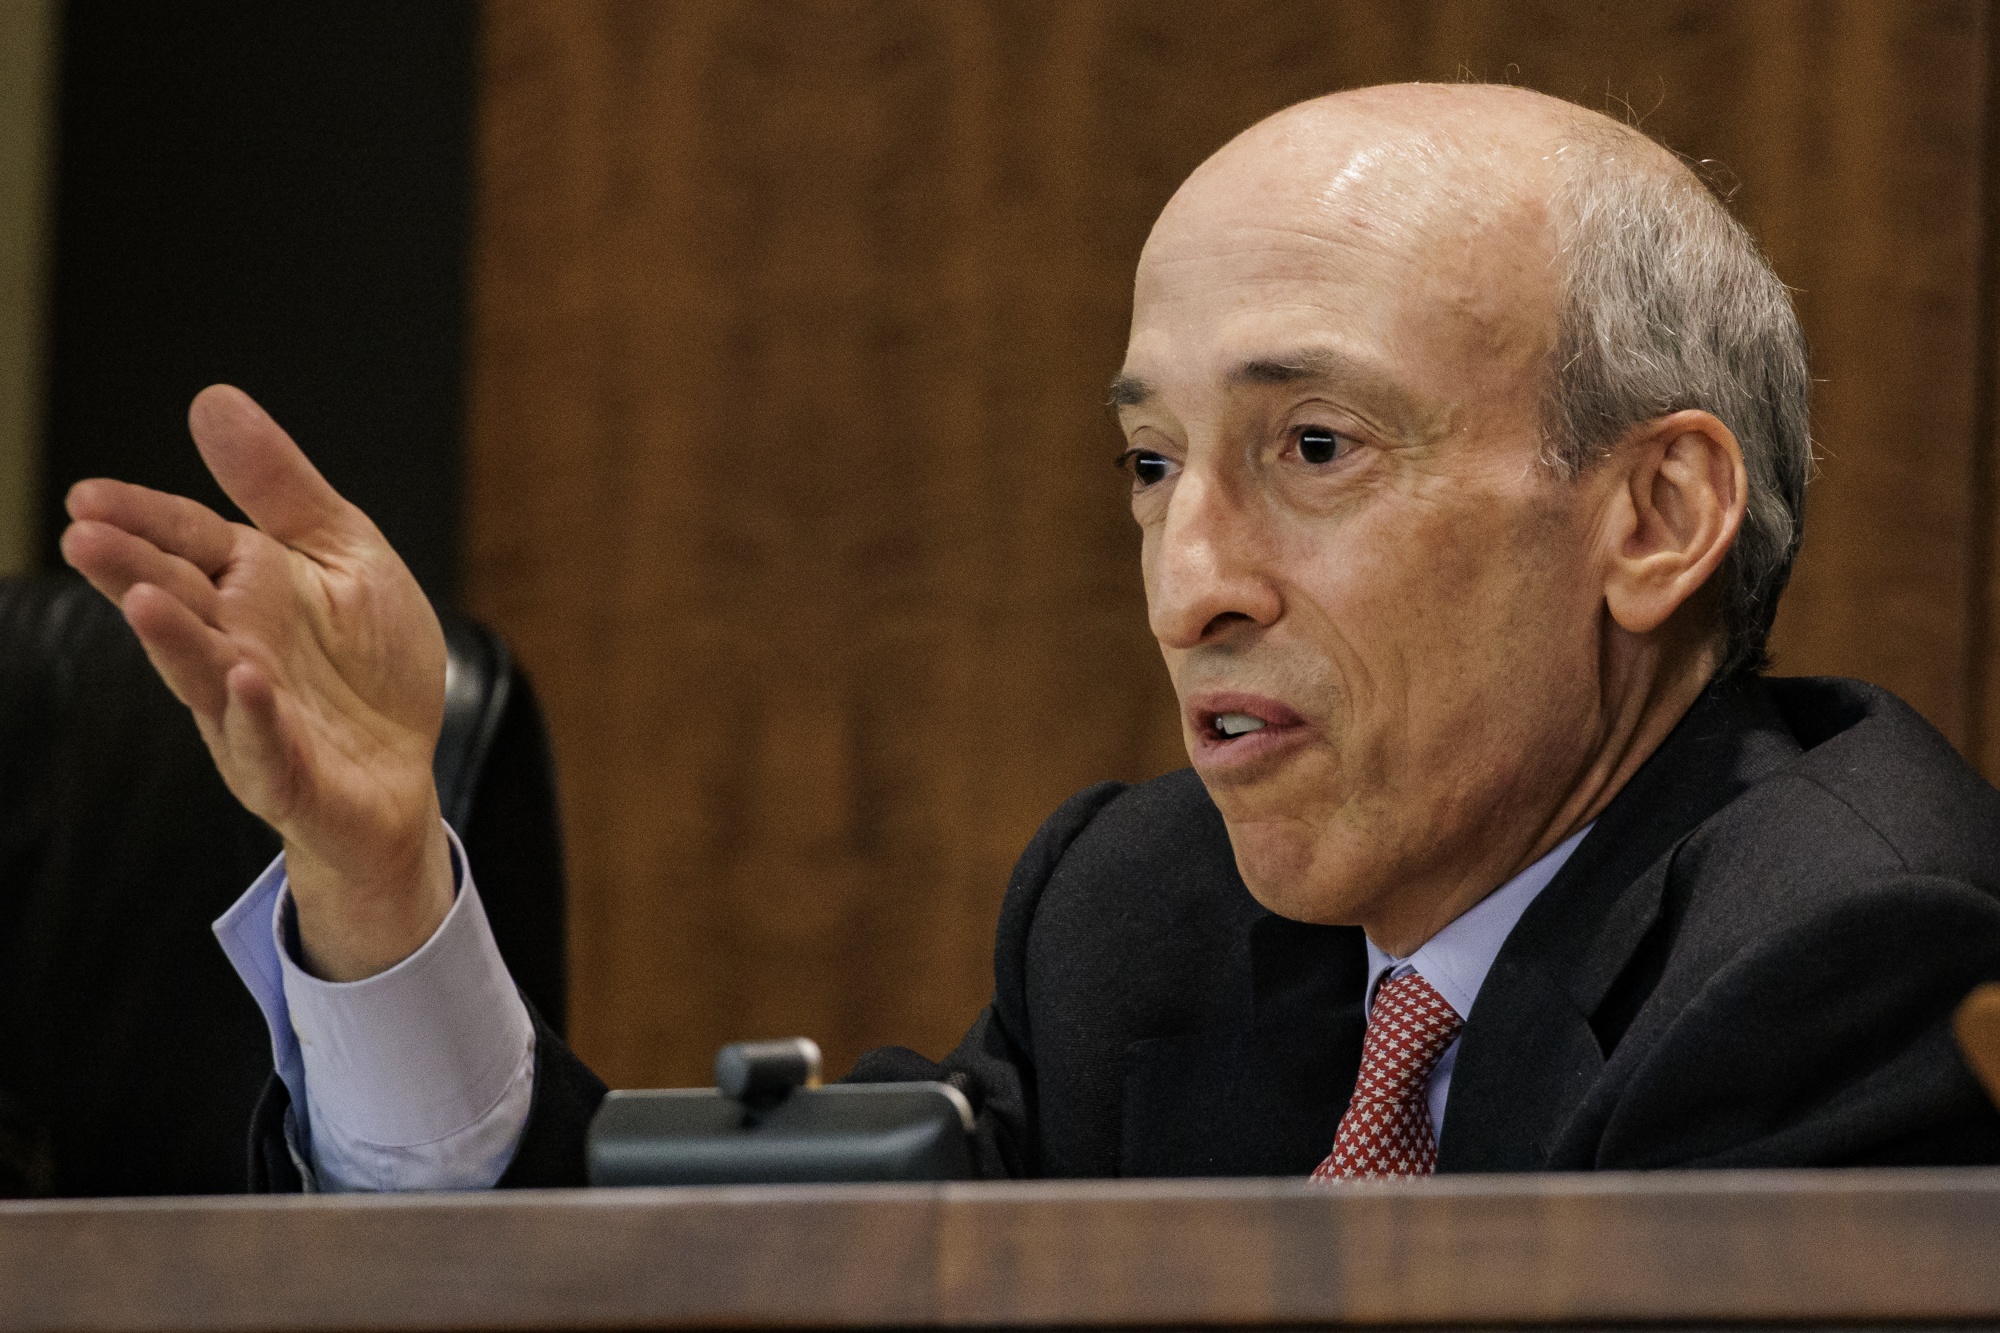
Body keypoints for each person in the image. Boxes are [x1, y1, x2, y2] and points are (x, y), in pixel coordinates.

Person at [59, 83, 2000, 1192]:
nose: (1188, 580)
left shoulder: (1837, 958)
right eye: (1152, 465)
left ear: (1652, 517)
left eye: (1314, 448)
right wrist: (382, 875)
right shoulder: (1138, 914)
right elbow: (710, 1286)